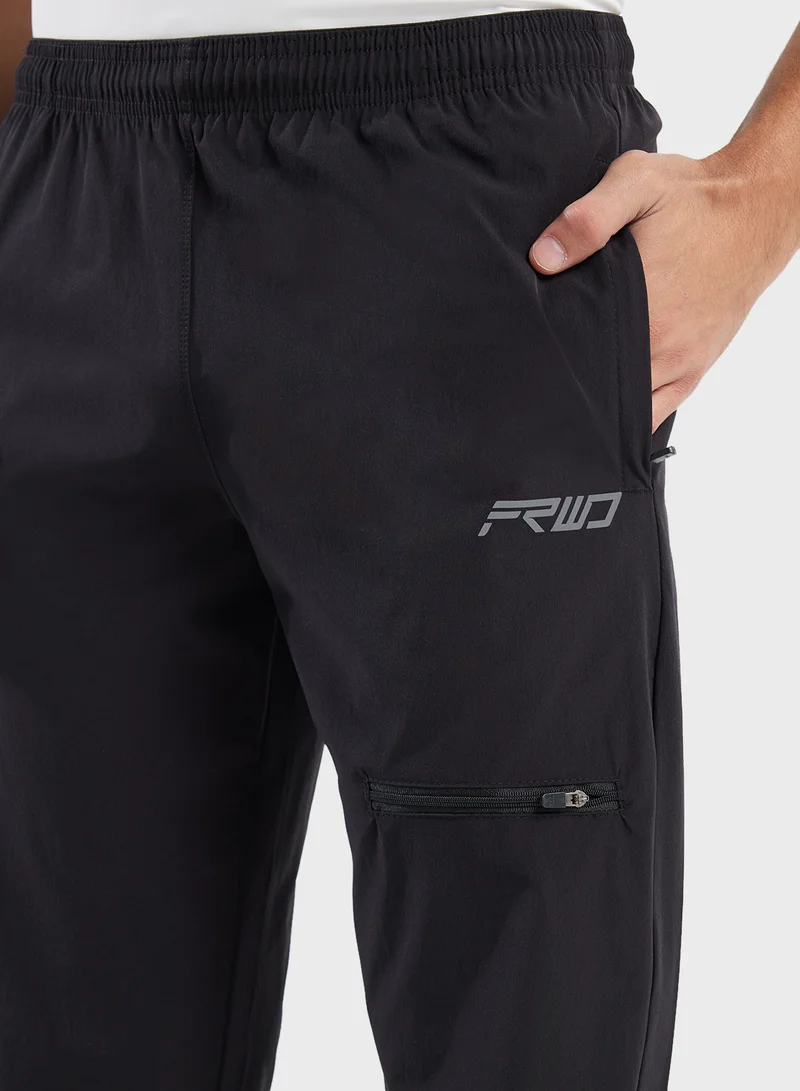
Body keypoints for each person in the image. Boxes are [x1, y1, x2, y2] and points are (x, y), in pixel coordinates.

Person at [0, 0, 796, 1088]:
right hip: (68, 188)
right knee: (65, 1029)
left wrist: (762, 192)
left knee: (527, 1033)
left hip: (471, 208)